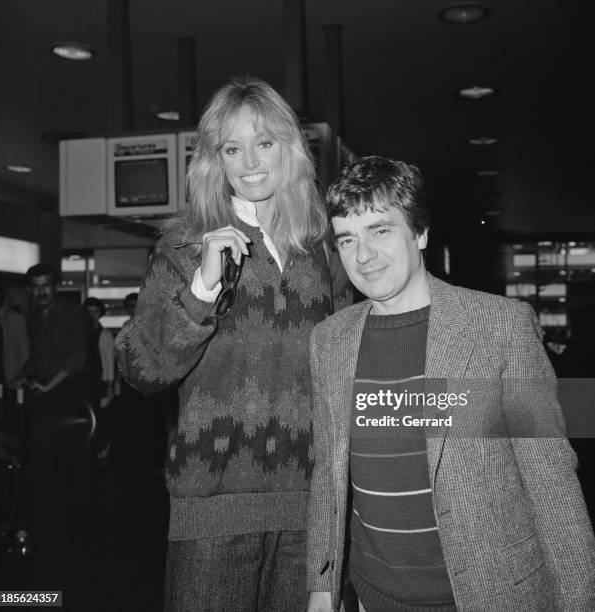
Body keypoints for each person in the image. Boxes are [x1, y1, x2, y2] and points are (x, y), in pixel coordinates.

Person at [306, 156, 595, 612]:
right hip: (373, 599)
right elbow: (329, 477)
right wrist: (321, 587)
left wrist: (579, 601)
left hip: (488, 597)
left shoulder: (500, 327)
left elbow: (550, 480)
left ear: (420, 233)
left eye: (380, 230)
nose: (362, 256)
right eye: (347, 239)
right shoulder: (329, 341)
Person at [115, 75, 349, 611]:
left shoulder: (321, 248)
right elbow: (140, 369)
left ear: (288, 148)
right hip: (210, 516)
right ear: (213, 160)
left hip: (310, 510)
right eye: (232, 148)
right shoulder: (184, 244)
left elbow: (345, 368)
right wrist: (201, 288)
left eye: (264, 143)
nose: (250, 162)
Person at [14, 262, 91, 584]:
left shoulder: (72, 313)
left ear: (55, 285)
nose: (41, 291)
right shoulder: (34, 316)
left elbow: (76, 357)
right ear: (30, 289)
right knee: (43, 461)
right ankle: (50, 521)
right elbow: (38, 356)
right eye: (36, 287)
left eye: (46, 285)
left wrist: (48, 386)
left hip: (69, 393)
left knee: (67, 462)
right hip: (45, 394)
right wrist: (22, 375)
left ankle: (74, 528)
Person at [0, 282, 29, 456]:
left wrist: (22, 376)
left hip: (8, 376)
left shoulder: (14, 318)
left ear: (0, 295)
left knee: (7, 419)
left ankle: (7, 459)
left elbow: (24, 350)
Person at [83, 296, 115, 463]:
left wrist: (110, 387)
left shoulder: (105, 335)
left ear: (100, 313)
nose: (92, 315)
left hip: (100, 382)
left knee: (101, 417)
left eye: (95, 312)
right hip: (85, 381)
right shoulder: (81, 333)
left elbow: (110, 363)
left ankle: (103, 449)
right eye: (88, 312)